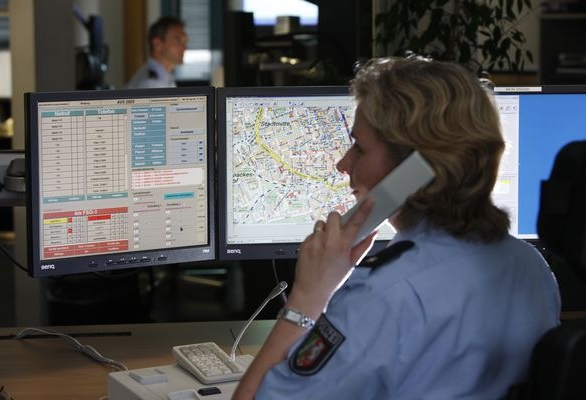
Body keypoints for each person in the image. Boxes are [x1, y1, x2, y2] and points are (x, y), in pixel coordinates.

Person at [233, 57, 561, 399]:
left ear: (413, 168)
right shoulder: (531, 267)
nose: (343, 164)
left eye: (359, 147)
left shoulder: (383, 297)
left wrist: (307, 298)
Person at [124, 16, 188, 89]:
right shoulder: (152, 84)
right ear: (157, 44)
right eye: (177, 41)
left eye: (185, 42)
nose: (185, 48)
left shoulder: (161, 77)